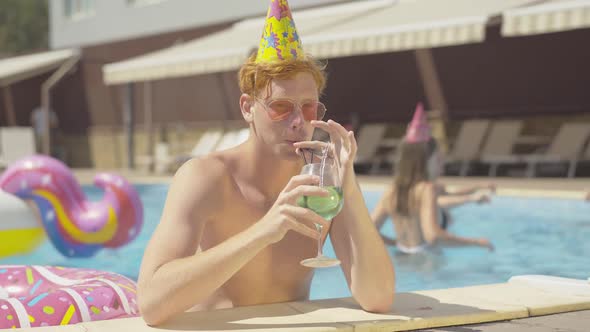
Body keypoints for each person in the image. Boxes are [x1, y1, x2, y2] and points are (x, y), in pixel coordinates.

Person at [137, 0, 394, 326]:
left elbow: (379, 296)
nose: (299, 122)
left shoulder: (321, 185)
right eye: (281, 107)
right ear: (247, 108)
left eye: (309, 107)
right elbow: (151, 303)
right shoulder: (206, 178)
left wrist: (350, 183)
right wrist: (263, 232)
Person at [371, 104, 494, 254]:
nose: (441, 162)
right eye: (438, 157)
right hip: (427, 261)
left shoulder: (392, 190)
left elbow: (369, 230)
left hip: (402, 256)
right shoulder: (427, 189)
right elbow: (433, 236)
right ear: (426, 160)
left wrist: (395, 243)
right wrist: (476, 242)